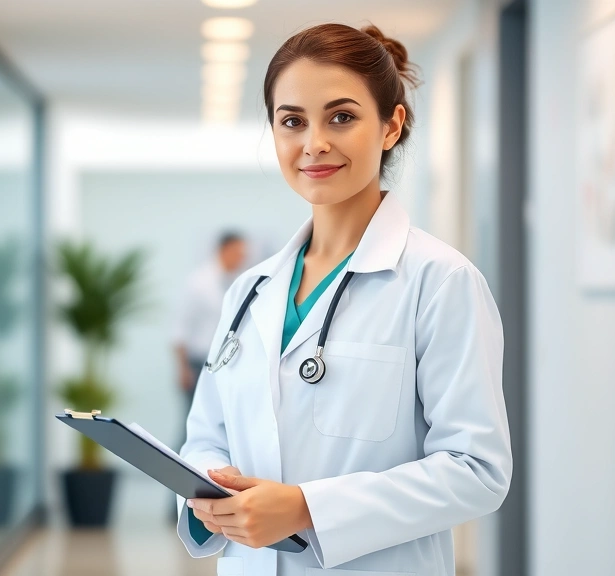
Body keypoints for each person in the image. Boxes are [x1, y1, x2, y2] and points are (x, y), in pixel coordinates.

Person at [178, 24, 511, 575]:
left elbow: (477, 471)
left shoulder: (440, 281)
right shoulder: (250, 290)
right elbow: (206, 439)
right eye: (292, 122)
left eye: (341, 117)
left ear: (390, 126)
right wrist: (211, 489)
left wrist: (306, 508)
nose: (314, 143)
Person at [172, 232, 247, 446]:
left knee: (221, 426)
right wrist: (183, 368)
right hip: (197, 363)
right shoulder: (198, 282)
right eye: (238, 253)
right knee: (193, 425)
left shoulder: (238, 281)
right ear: (224, 250)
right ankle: (175, 474)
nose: (241, 258)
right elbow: (180, 328)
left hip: (224, 363)